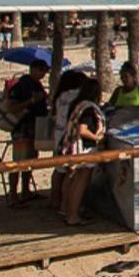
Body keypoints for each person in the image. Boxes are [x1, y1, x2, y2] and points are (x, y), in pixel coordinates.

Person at [4, 60, 50, 207]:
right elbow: (12, 108)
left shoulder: (37, 85)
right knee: (18, 162)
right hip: (22, 128)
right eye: (41, 70)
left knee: (30, 161)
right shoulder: (21, 86)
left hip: (34, 127)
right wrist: (31, 101)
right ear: (33, 69)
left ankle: (25, 190)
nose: (43, 74)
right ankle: (13, 195)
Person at [60, 79, 105, 226]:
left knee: (73, 178)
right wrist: (96, 137)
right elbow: (82, 130)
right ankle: (73, 215)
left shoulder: (77, 105)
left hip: (73, 147)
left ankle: (67, 209)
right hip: (84, 148)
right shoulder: (87, 108)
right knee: (81, 180)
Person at [47, 71, 88, 212]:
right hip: (68, 135)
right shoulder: (76, 95)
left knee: (59, 169)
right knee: (70, 172)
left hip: (58, 133)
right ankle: (66, 205)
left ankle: (54, 199)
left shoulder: (60, 96)